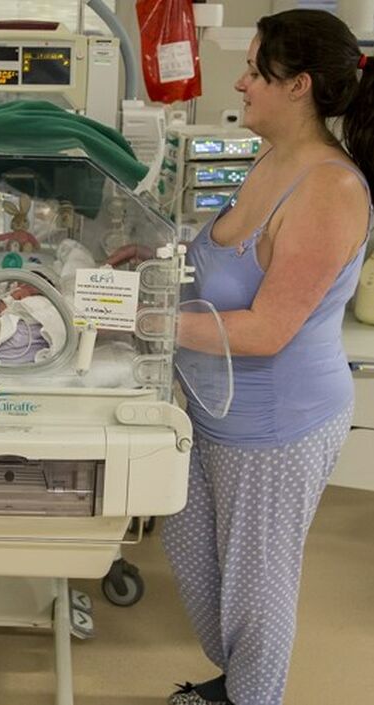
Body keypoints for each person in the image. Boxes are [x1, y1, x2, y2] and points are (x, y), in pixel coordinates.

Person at [111, 9, 374, 705]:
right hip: (210, 406)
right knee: (195, 561)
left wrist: (150, 319)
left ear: (300, 86)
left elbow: (265, 329)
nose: (240, 81)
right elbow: (224, 260)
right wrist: (157, 262)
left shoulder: (328, 189)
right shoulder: (270, 158)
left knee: (256, 589)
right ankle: (240, 681)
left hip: (275, 424)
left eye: (256, 69)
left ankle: (250, 695)